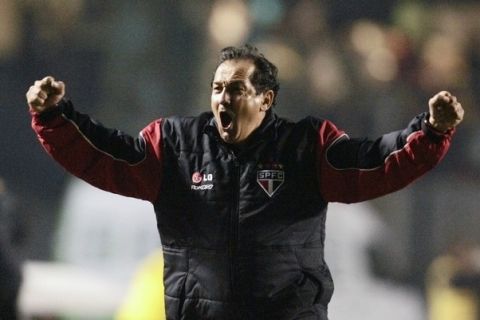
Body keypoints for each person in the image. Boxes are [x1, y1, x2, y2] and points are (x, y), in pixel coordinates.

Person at [26, 45, 464, 319]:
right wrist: (54, 118)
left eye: (235, 89)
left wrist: (429, 132)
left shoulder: (305, 147)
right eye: (217, 89)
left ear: (266, 99)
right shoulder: (174, 144)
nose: (222, 99)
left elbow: (376, 162)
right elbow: (104, 156)